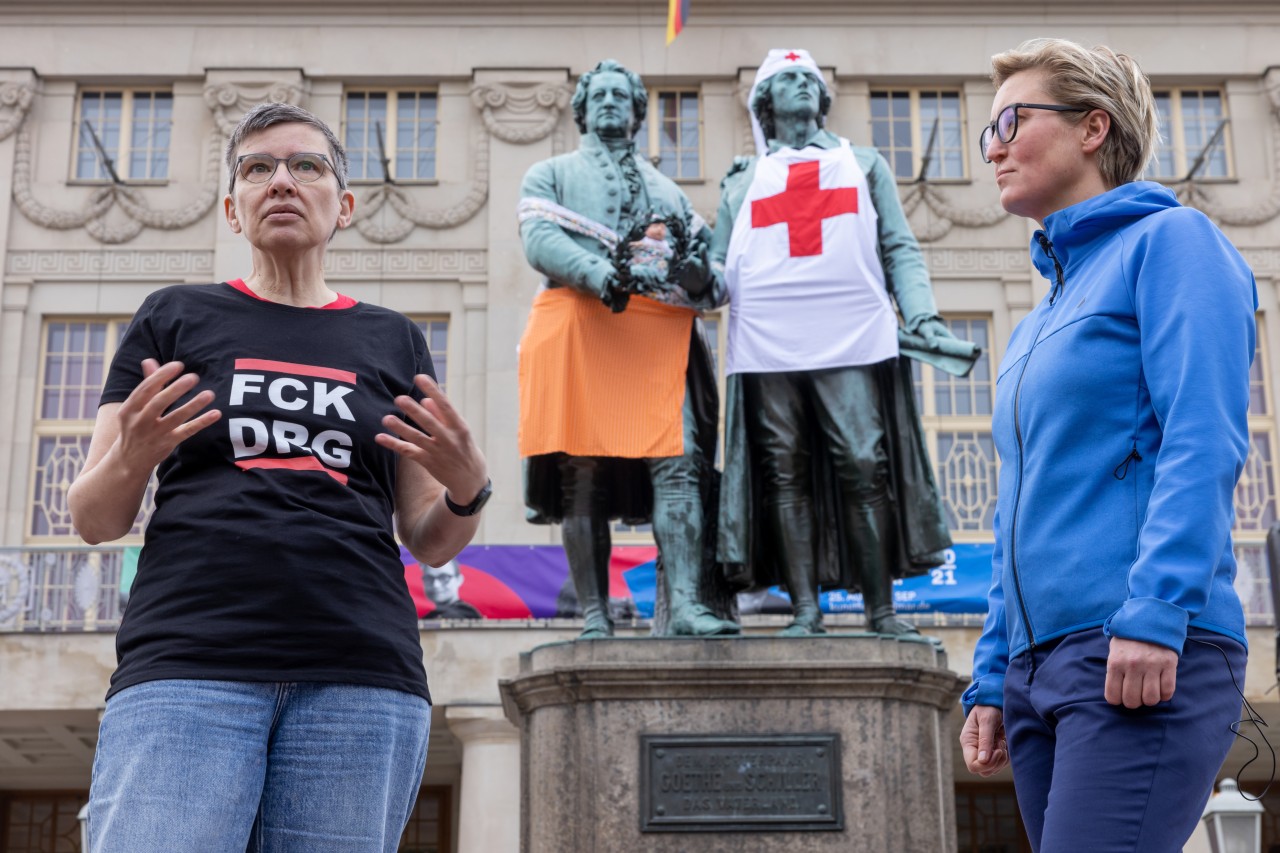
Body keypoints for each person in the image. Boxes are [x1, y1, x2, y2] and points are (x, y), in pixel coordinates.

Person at [68, 102, 490, 853]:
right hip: (189, 664)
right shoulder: (175, 318)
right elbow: (95, 517)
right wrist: (132, 456)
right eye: (257, 169)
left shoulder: (393, 338)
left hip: (360, 674)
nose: (281, 181)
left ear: (345, 204)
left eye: (307, 166)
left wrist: (467, 489)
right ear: (233, 208)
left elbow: (429, 540)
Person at [959, 39, 1256, 852]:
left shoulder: (1173, 244)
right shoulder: (1033, 324)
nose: (993, 146)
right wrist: (991, 673)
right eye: (986, 129)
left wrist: (1157, 610)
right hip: (1035, 669)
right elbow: (1017, 504)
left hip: (1136, 647)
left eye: (1011, 120)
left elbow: (1204, 437)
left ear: (1094, 128)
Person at [712, 49, 976, 636]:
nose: (804, 86)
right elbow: (716, 268)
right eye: (789, 79)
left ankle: (881, 611)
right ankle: (805, 611)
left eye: (811, 78)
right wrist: (691, 277)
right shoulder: (744, 179)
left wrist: (923, 314)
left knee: (864, 463)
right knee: (783, 471)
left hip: (851, 333)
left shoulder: (864, 162)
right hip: (768, 341)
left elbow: (899, 247)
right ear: (764, 103)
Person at [517, 59, 739, 639]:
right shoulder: (550, 172)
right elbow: (539, 238)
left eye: (623, 96)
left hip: (658, 336)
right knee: (580, 470)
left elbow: (711, 275)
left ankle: (686, 605)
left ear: (640, 114)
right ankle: (593, 614)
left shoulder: (670, 191)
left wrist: (694, 276)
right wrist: (599, 273)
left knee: (681, 464)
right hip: (581, 320)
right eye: (601, 95)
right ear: (582, 109)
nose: (612, 102)